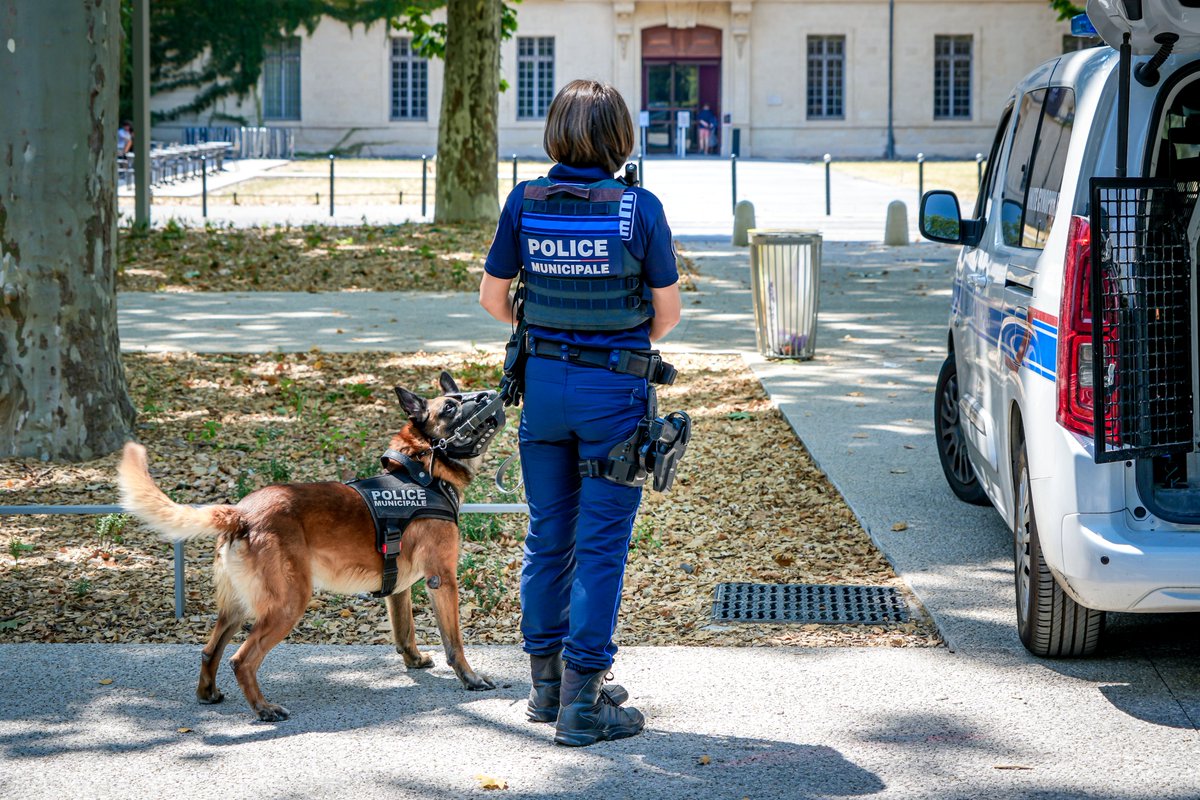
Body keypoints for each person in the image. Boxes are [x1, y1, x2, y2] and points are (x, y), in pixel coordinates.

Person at [479, 79, 682, 747]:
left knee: (548, 539)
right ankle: (585, 702)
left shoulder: (524, 202)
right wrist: (607, 342)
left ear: (556, 135)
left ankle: (546, 688)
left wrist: (548, 334)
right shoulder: (637, 210)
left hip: (542, 390)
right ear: (620, 137)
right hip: (612, 399)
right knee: (600, 550)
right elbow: (666, 318)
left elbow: (492, 299)